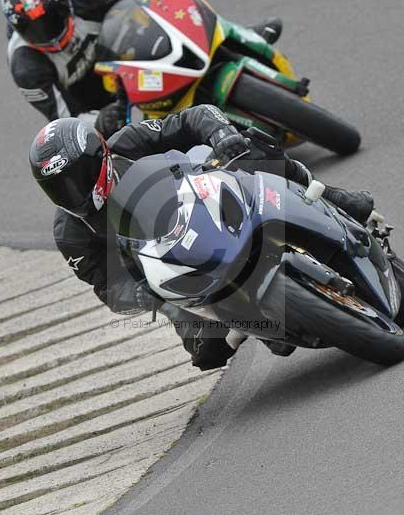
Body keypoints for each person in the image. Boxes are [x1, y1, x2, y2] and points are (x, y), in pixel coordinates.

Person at [27, 104, 374, 370]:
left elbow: (191, 119)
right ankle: (253, 324)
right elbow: (106, 287)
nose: (71, 193)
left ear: (97, 157)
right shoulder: (70, 232)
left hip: (205, 204)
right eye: (58, 188)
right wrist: (140, 290)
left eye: (75, 179)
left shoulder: (127, 143)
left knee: (249, 146)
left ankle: (332, 198)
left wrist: (221, 134)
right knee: (206, 352)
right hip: (170, 273)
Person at [2, 0, 283, 137]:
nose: (47, 31)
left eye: (52, 18)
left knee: (181, 6)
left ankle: (241, 36)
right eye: (33, 28)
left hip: (122, 53)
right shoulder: (26, 67)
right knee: (122, 152)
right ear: (17, 27)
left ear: (63, 1)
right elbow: (60, 120)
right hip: (95, 102)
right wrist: (97, 121)